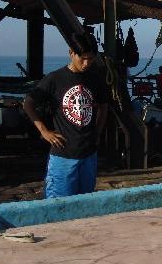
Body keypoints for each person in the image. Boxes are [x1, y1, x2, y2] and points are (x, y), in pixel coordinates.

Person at [23, 33, 108, 198]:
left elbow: (104, 106)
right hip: (63, 156)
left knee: (85, 204)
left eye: (90, 59)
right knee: (59, 206)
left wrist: (97, 132)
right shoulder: (55, 79)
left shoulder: (96, 78)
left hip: (89, 155)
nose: (86, 63)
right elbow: (28, 103)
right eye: (82, 58)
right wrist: (44, 131)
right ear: (71, 53)